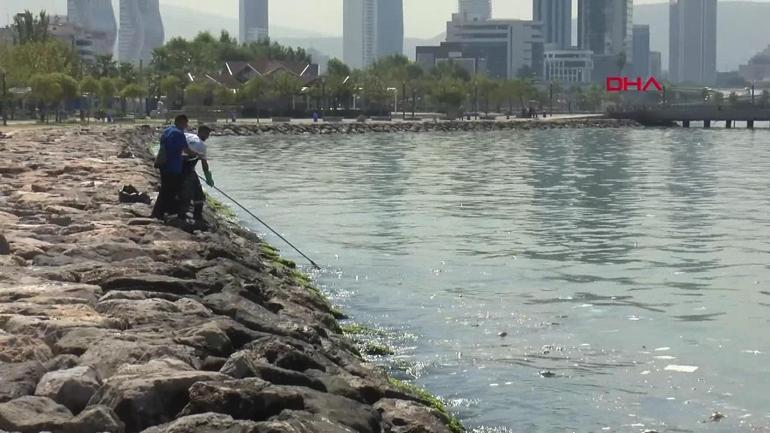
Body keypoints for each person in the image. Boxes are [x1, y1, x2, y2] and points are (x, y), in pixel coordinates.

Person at [151, 114, 189, 220]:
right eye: (185, 123)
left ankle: (158, 212)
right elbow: (186, 150)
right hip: (173, 167)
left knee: (165, 190)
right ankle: (165, 212)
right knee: (172, 190)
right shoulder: (179, 133)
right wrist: (197, 154)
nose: (186, 125)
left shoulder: (167, 130)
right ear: (181, 122)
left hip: (163, 164)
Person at [180, 125, 214, 224]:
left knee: (183, 190)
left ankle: (182, 212)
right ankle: (196, 216)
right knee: (198, 194)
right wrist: (208, 177)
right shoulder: (201, 145)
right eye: (207, 134)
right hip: (187, 168)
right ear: (201, 132)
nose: (207, 137)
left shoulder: (187, 135)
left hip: (177, 164)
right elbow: (204, 163)